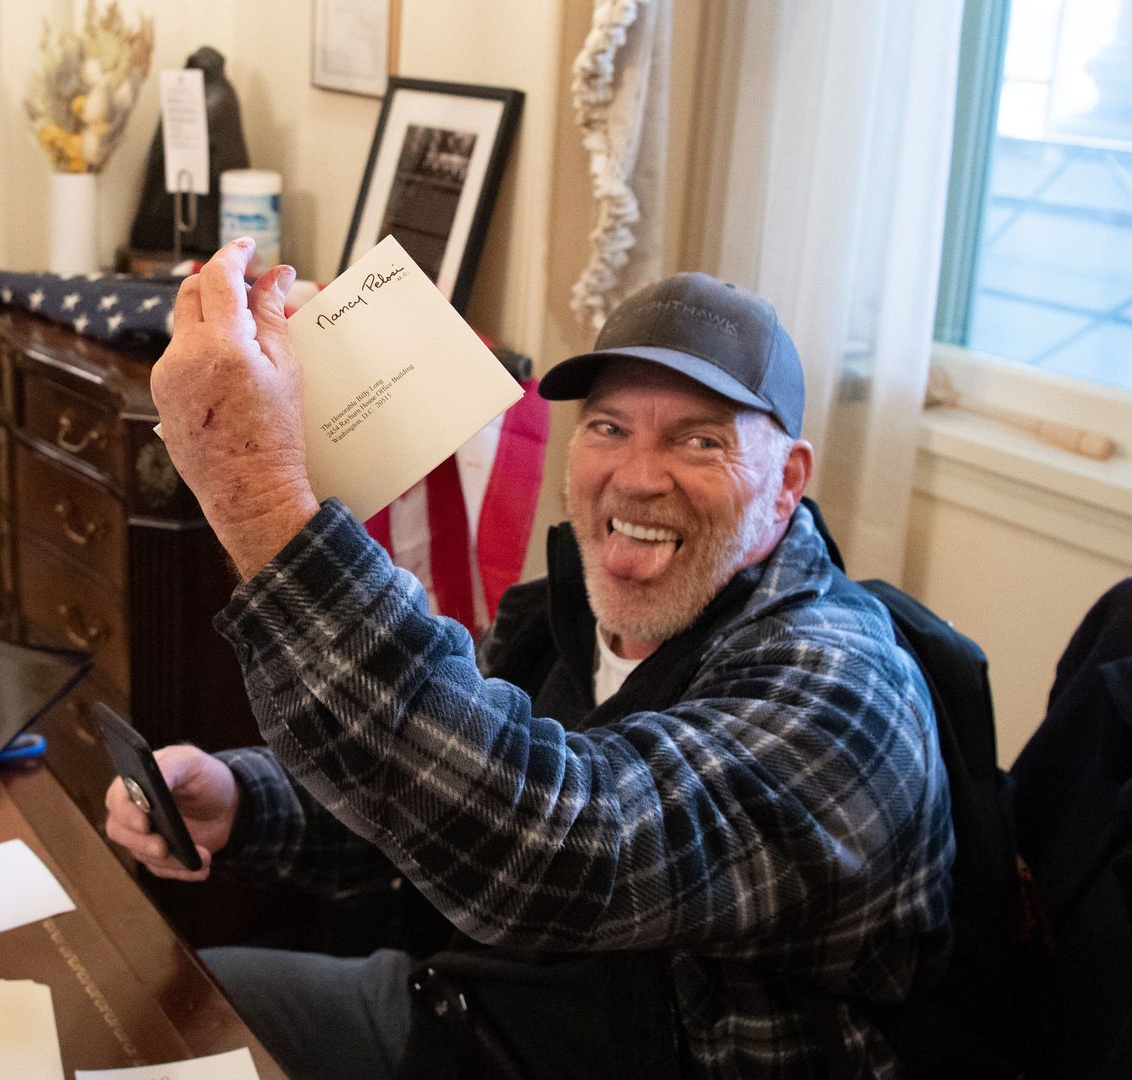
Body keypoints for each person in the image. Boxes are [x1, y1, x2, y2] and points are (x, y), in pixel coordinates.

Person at [105, 240, 954, 1079]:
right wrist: (244, 801)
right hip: (468, 1017)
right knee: (151, 1011)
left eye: (699, 442)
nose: (637, 476)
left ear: (786, 483)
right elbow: (437, 802)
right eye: (610, 428)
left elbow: (557, 852)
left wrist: (258, 490)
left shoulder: (841, 684)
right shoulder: (566, 614)